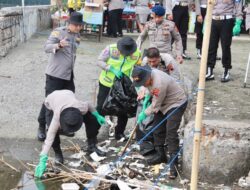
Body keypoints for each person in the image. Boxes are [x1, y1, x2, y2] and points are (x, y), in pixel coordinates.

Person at [132, 65, 187, 179]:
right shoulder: (149, 76)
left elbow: (155, 105)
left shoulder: (159, 83)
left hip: (175, 103)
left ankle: (174, 164)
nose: (143, 84)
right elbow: (150, 92)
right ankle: (161, 155)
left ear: (148, 76)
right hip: (162, 103)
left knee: (171, 132)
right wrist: (147, 96)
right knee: (157, 129)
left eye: (143, 82)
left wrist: (144, 113)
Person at [34, 90, 106, 178]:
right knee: (51, 128)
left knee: (91, 118)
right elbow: (49, 138)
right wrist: (43, 158)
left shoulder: (81, 108)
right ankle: (58, 153)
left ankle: (91, 145)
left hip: (68, 94)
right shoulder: (56, 117)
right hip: (51, 100)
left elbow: (89, 104)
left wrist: (97, 115)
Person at [37, 12, 84, 142]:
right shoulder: (59, 32)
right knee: (49, 102)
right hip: (55, 75)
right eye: (76, 25)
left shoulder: (77, 35)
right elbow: (46, 47)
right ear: (69, 23)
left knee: (68, 101)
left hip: (68, 75)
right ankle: (42, 126)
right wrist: (58, 45)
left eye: (80, 25)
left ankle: (63, 126)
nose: (79, 28)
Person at [96, 36, 141, 140]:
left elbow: (138, 67)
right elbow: (99, 61)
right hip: (107, 83)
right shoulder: (111, 49)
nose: (124, 54)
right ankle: (94, 133)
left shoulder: (137, 53)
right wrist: (111, 68)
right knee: (101, 108)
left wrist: (137, 81)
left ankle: (119, 133)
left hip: (123, 85)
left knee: (124, 108)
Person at [205, 0, 243, 82]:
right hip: (213, 20)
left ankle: (226, 70)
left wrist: (238, 22)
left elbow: (238, 6)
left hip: (227, 20)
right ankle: (209, 70)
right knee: (211, 46)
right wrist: (206, 21)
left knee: (225, 46)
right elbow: (209, 5)